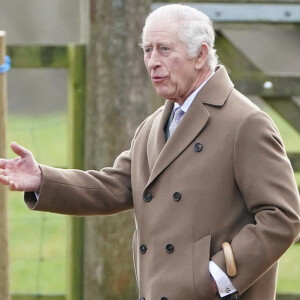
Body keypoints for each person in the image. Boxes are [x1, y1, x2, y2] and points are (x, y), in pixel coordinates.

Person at [0, 4, 299, 300]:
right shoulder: (153, 126)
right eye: (147, 50)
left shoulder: (245, 122)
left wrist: (217, 277)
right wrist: (42, 179)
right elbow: (115, 186)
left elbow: (284, 216)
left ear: (201, 55)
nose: (152, 61)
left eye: (164, 49)